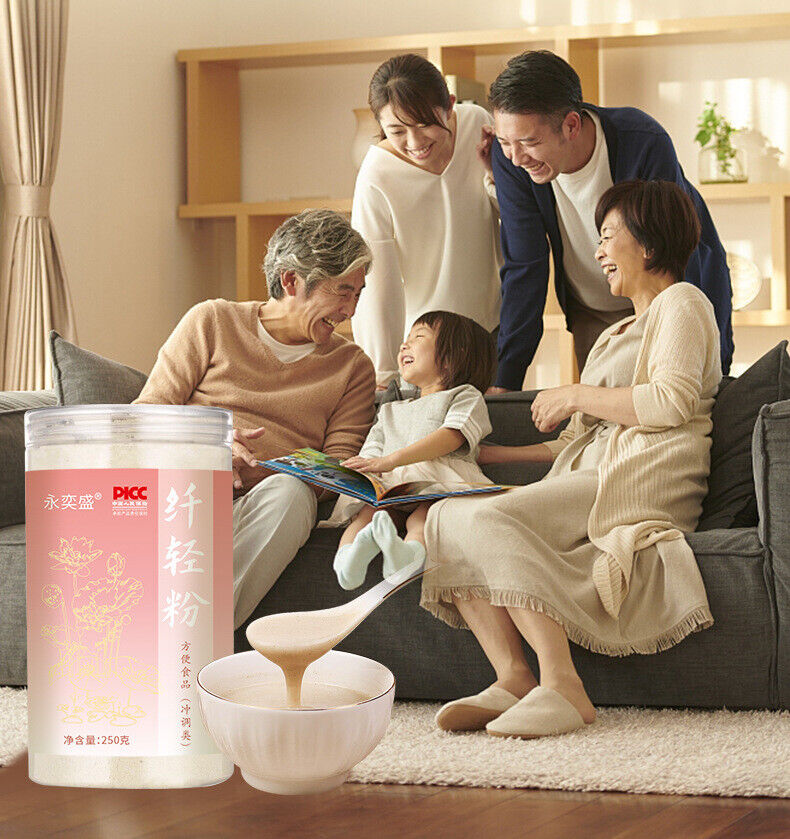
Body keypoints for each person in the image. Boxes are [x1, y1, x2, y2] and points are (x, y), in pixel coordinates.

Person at [366, 180, 721, 739]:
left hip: (640, 474)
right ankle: (512, 677)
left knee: (480, 517)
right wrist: (490, 452)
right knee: (442, 517)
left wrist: (575, 393)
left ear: (649, 243)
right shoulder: (613, 335)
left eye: (608, 236)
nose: (599, 252)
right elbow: (569, 444)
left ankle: (563, 686)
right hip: (589, 471)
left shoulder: (683, 303)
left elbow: (669, 403)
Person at [134, 209, 376, 628]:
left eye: (358, 295)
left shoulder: (352, 366)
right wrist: (210, 446)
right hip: (187, 492)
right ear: (291, 281)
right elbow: (145, 416)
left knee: (292, 495)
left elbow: (337, 470)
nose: (350, 311)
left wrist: (276, 469)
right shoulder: (212, 321)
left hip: (268, 509)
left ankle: (189, 635)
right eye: (342, 292)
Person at [485, 49, 733, 392]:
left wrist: (698, 341)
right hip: (593, 310)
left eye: (530, 142)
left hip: (668, 298)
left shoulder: (642, 140)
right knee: (601, 417)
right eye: (504, 142)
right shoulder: (510, 160)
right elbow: (525, 265)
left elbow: (676, 252)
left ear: (571, 125)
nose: (515, 157)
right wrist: (505, 381)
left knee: (684, 401)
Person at [351, 53, 502, 389]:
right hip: (426, 353)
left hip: (489, 331)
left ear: (449, 105)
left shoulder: (477, 126)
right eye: (397, 131)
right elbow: (378, 282)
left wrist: (495, 176)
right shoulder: (376, 177)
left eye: (424, 124)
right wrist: (384, 372)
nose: (415, 142)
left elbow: (512, 213)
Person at [328, 310, 495, 590]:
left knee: (424, 517)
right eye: (406, 338)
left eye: (418, 337)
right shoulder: (391, 409)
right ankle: (348, 561)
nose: (404, 344)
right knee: (368, 514)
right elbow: (373, 447)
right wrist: (363, 467)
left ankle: (407, 557)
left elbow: (452, 436)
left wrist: (391, 460)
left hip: (437, 483)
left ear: (454, 354)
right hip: (392, 486)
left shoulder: (464, 396)